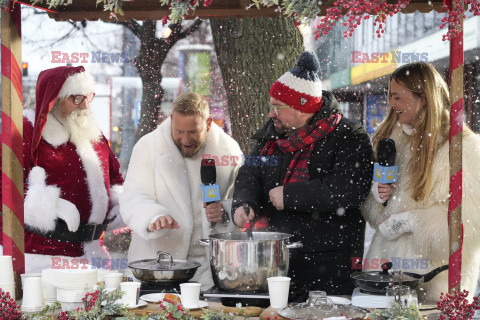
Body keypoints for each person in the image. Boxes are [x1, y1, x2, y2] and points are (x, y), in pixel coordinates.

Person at [232, 52, 373, 300]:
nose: (271, 114)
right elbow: (250, 172)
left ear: (303, 107)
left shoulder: (349, 136)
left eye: (278, 107)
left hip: (329, 262)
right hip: (277, 259)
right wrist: (244, 203)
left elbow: (349, 190)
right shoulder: (272, 135)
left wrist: (290, 195)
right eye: (271, 105)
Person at [361, 62, 480, 302]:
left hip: (435, 285)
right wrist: (378, 197)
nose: (391, 104)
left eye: (397, 97)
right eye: (389, 96)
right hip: (387, 280)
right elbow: (378, 216)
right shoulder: (392, 140)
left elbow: (470, 224)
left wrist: (412, 221)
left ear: (423, 98)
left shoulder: (463, 148)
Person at [0, 66, 124, 272]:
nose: (84, 105)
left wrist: (123, 208)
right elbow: (6, 187)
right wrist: (49, 206)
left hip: (92, 253)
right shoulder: (25, 134)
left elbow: (115, 178)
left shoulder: (94, 135)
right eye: (75, 98)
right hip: (41, 256)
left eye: (88, 97)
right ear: (54, 99)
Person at [120, 92, 242, 290]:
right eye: (179, 131)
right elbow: (133, 196)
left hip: (207, 273)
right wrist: (153, 216)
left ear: (209, 123)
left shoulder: (229, 151)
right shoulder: (147, 147)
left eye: (193, 132)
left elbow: (242, 202)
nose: (186, 139)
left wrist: (225, 212)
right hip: (155, 268)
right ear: (170, 121)